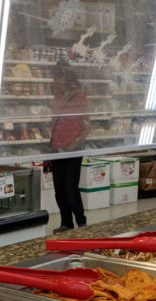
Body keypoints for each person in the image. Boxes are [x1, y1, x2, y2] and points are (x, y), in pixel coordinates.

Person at [49, 60, 90, 233]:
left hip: (72, 150)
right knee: (59, 190)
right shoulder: (57, 97)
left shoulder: (79, 96)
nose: (54, 82)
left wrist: (72, 146)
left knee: (70, 188)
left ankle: (81, 222)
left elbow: (87, 127)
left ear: (66, 77)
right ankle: (66, 222)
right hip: (56, 150)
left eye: (57, 78)